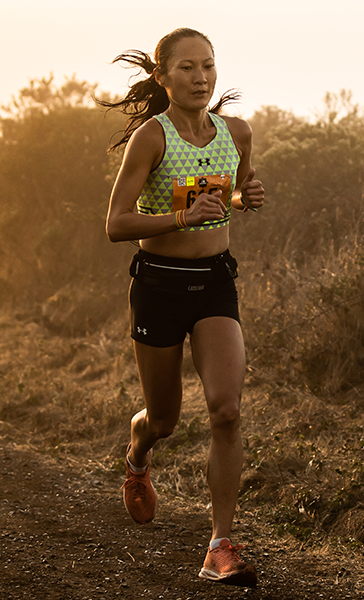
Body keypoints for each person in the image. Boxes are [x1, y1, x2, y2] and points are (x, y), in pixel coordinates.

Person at [100, 27, 265, 588]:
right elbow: (116, 224)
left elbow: (233, 193)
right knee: (165, 419)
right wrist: (178, 220)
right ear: (163, 77)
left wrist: (248, 197)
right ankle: (139, 453)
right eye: (188, 68)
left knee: (226, 410)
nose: (201, 78)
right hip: (160, 285)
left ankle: (219, 546)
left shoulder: (237, 132)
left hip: (216, 282)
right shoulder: (153, 137)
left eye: (209, 66)